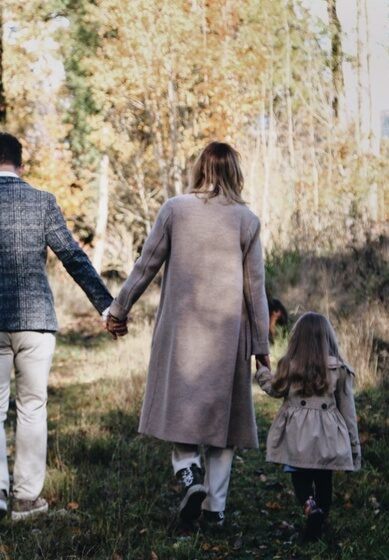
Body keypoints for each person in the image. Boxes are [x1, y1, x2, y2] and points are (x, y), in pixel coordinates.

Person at [0, 132, 114, 536]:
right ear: (20, 164)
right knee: (33, 406)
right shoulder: (42, 201)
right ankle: (27, 498)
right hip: (35, 321)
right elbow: (73, 257)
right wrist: (107, 307)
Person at [106, 141, 269, 529]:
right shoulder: (246, 220)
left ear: (199, 169)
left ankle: (189, 472)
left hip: (181, 333)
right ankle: (215, 509)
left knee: (180, 412)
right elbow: (256, 290)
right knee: (224, 428)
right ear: (235, 174)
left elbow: (146, 265)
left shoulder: (175, 210)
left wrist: (119, 309)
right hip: (228, 336)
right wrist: (261, 348)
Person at [255, 312, 361, 541]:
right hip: (328, 436)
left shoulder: (289, 366)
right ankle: (319, 523)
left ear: (297, 339)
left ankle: (310, 507)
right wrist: (354, 448)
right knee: (324, 480)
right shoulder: (340, 370)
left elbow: (274, 389)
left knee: (300, 476)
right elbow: (348, 413)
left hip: (298, 435)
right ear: (328, 338)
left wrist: (263, 371)